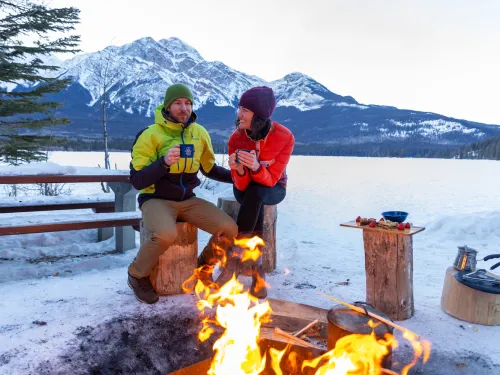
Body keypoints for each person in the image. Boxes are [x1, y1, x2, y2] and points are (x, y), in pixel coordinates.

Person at [128, 83, 238, 304]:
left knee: (229, 229)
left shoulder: (199, 133)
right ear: (167, 106)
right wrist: (164, 162)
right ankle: (136, 275)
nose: (184, 108)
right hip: (156, 199)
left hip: (187, 200)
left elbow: (209, 168)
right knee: (166, 235)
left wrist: (238, 176)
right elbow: (138, 180)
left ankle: (203, 268)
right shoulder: (150, 135)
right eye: (178, 103)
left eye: (188, 103)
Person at [229, 86, 294, 298]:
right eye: (240, 109)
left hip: (274, 188)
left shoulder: (284, 137)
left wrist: (256, 167)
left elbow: (271, 180)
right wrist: (238, 170)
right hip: (246, 189)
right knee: (252, 195)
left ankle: (236, 257)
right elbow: (241, 186)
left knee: (257, 193)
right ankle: (257, 274)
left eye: (245, 111)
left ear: (259, 115)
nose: (239, 115)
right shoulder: (236, 139)